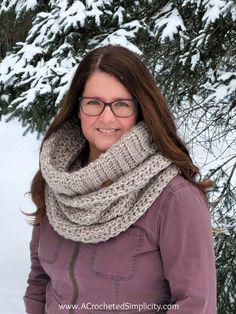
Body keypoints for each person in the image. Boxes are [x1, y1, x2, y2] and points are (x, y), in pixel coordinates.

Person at [23, 45, 217, 314]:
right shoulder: (56, 185)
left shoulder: (174, 199)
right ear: (78, 108)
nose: (106, 116)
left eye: (121, 104)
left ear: (141, 110)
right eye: (93, 102)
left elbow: (196, 305)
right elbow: (39, 282)